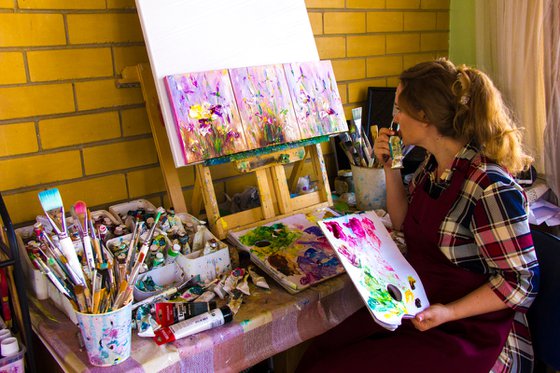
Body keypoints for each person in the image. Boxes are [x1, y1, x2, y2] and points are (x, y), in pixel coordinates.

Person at [296, 59, 540, 372]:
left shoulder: (490, 186)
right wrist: (391, 167)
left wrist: (449, 313)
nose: (393, 118)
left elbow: (522, 284)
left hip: (470, 332)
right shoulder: (433, 166)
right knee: (324, 351)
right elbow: (405, 224)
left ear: (424, 117)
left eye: (399, 109)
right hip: (423, 306)